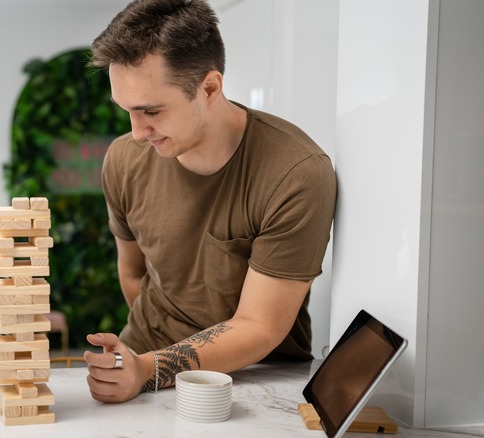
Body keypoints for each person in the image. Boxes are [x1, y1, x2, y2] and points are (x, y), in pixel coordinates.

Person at [83, 0, 337, 403]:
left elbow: (261, 325)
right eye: (127, 111)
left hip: (254, 380)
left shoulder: (296, 172)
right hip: (141, 362)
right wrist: (144, 365)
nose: (136, 132)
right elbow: (133, 274)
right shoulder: (123, 160)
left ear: (209, 88)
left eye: (151, 110)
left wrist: (151, 369)